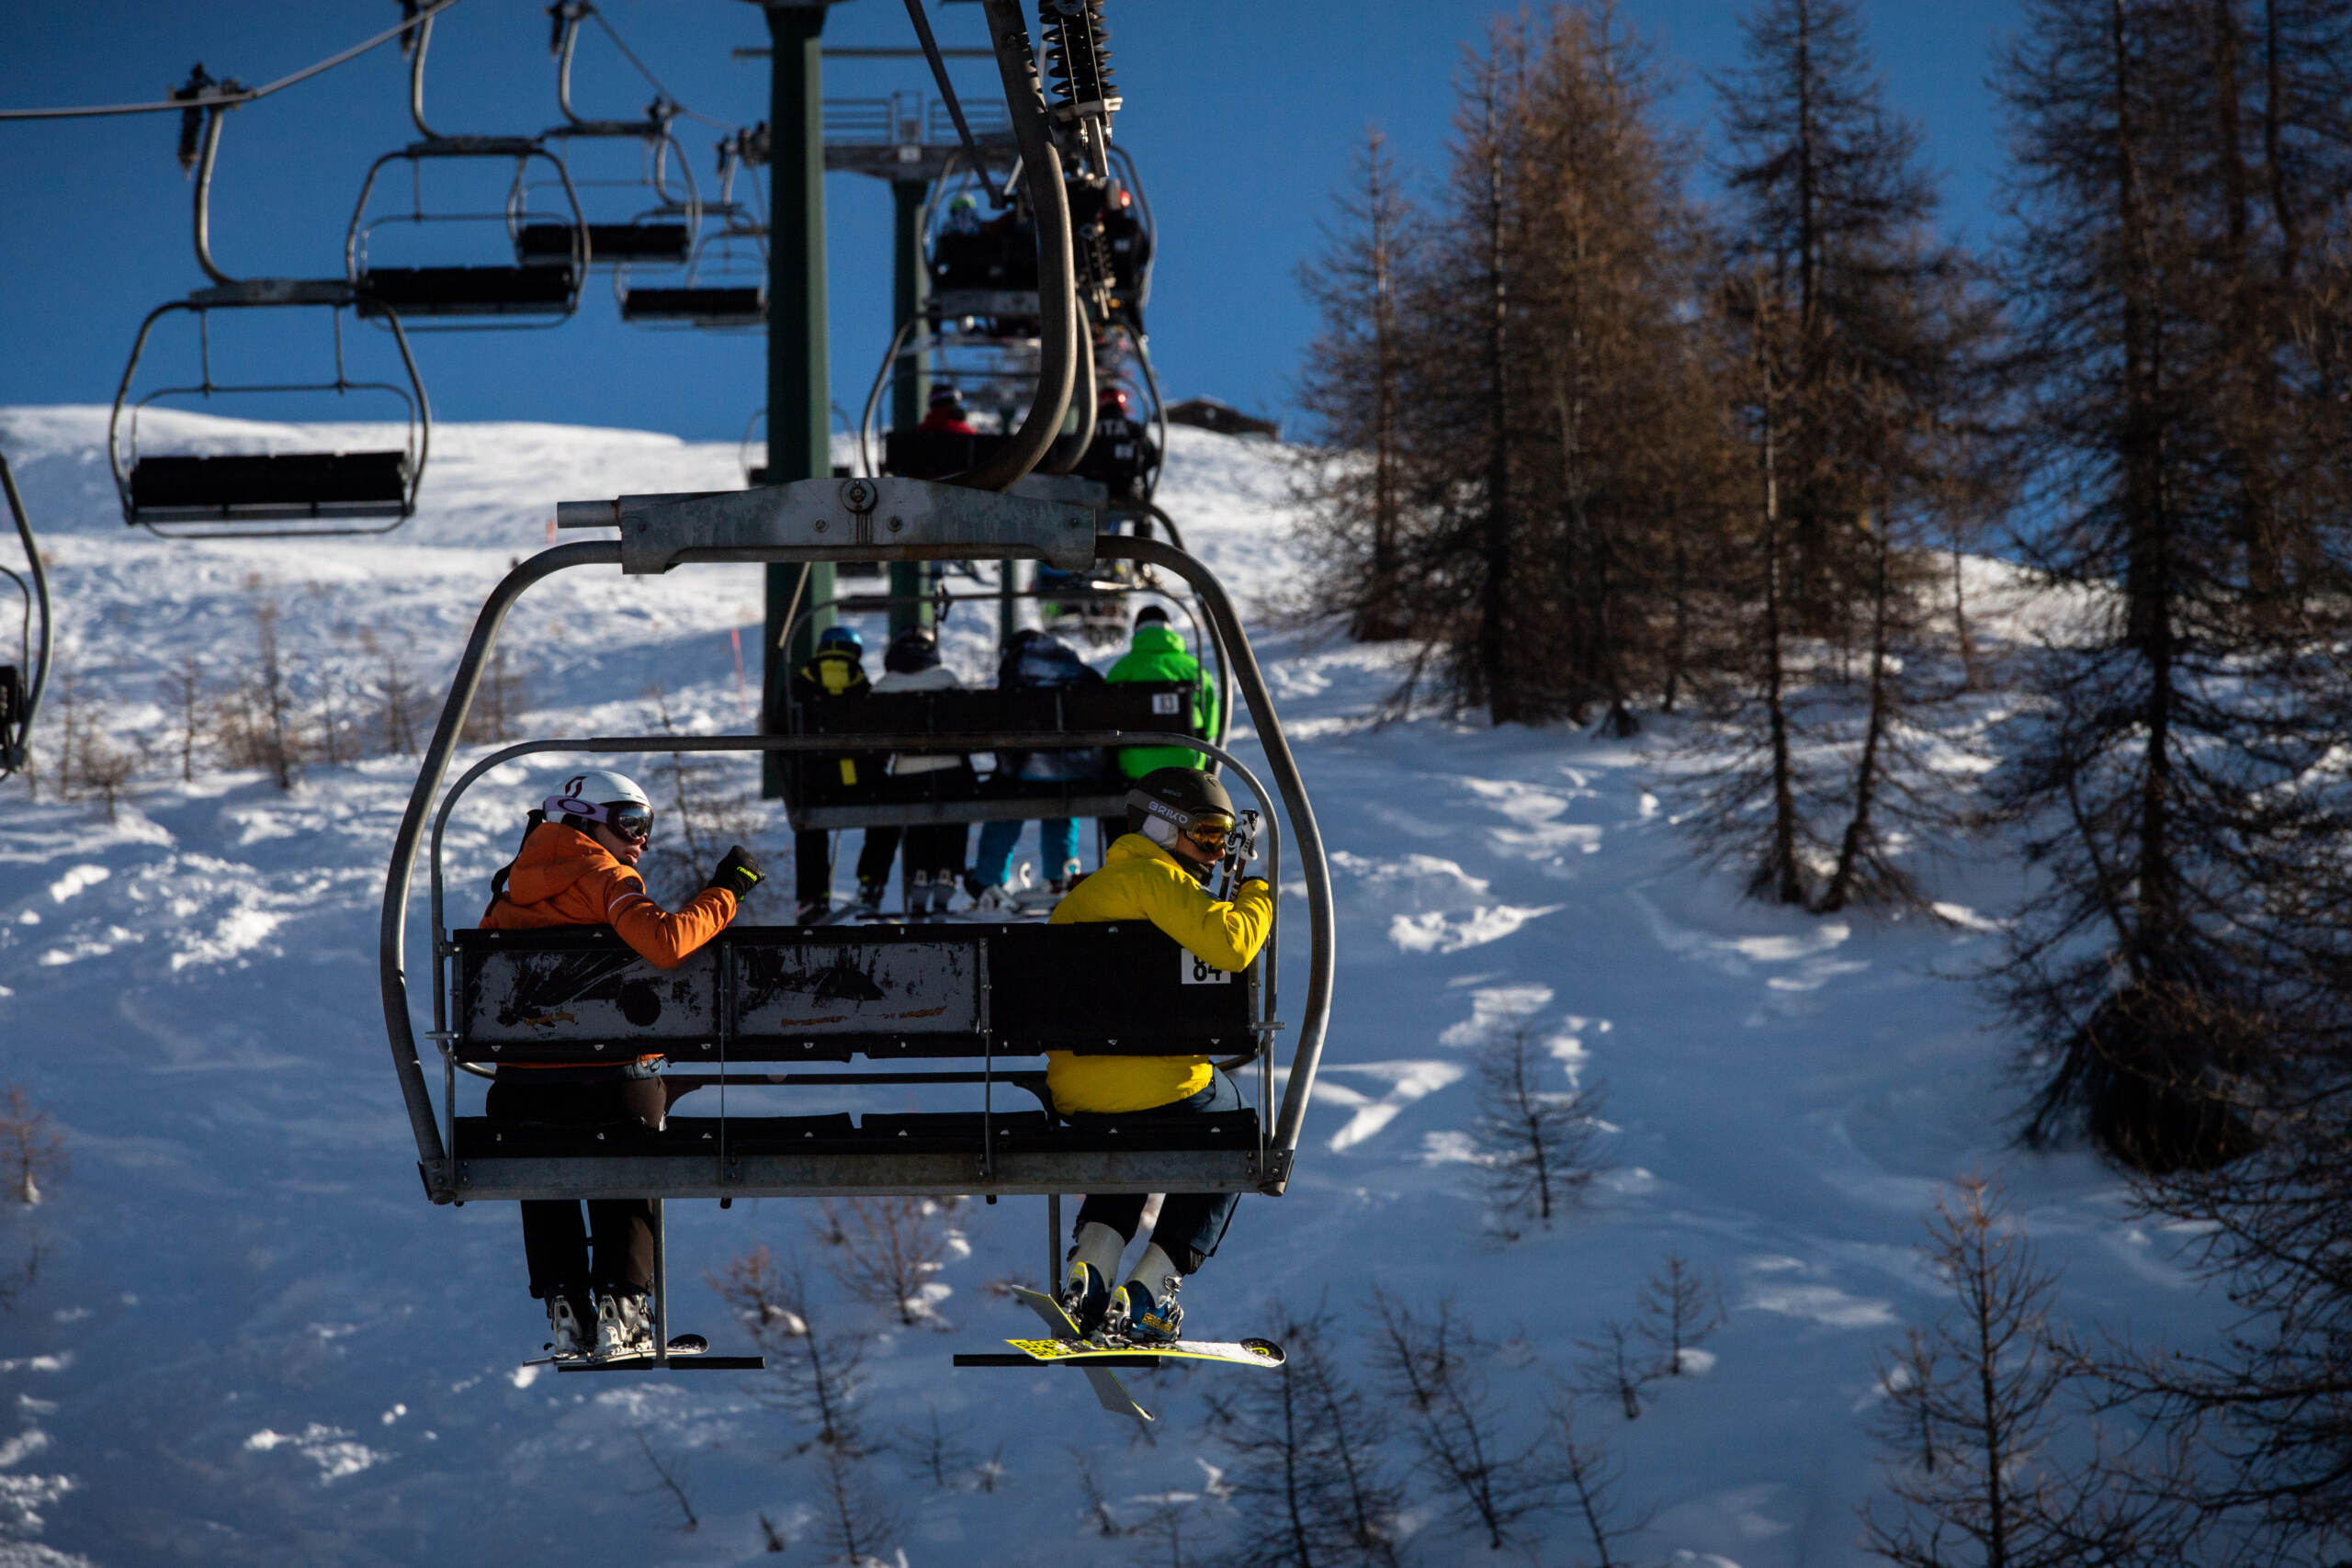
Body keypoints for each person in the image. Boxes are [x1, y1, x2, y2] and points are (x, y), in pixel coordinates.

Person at [480, 770, 764, 1359]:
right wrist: (727, 892)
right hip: (609, 1085)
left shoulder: (511, 888)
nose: (641, 840)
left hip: (518, 1091)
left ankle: (567, 1309)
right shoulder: (604, 876)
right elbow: (665, 943)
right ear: (586, 823)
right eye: (630, 823)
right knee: (628, 1151)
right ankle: (621, 1310)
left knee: (542, 1162)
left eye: (646, 826)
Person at [1048, 766, 1272, 1344]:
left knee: (1130, 1139)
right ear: (1162, 829)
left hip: (1080, 1091)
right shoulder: (1153, 881)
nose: (1215, 855)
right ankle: (1149, 1292)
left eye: (1223, 842)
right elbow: (1231, 944)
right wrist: (1257, 894)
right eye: (1206, 837)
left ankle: (1090, 1273)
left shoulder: (1084, 897)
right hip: (1160, 1089)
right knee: (1236, 1136)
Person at [967, 628, 1105, 908]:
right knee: (1061, 803)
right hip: (1079, 769)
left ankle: (988, 881)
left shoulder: (1017, 673)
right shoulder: (1074, 666)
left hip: (1032, 771)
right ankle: (1059, 876)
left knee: (1007, 804)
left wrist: (1007, 772)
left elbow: (1006, 732)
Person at [848, 626, 973, 917]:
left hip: (907, 775)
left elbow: (872, 741)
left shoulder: (883, 686)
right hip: (952, 773)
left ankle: (919, 872)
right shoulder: (947, 680)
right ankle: (947, 870)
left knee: (911, 804)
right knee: (956, 800)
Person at [1097, 604, 1218, 850]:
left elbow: (1105, 719)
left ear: (1137, 632)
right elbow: (1212, 724)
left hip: (1133, 771)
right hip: (1185, 769)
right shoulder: (1193, 669)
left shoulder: (1122, 669)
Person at [790, 625, 874, 923]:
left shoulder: (800, 685)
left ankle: (813, 897)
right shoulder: (863, 686)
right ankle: (871, 881)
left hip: (816, 785)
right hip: (863, 785)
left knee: (811, 830)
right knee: (888, 816)